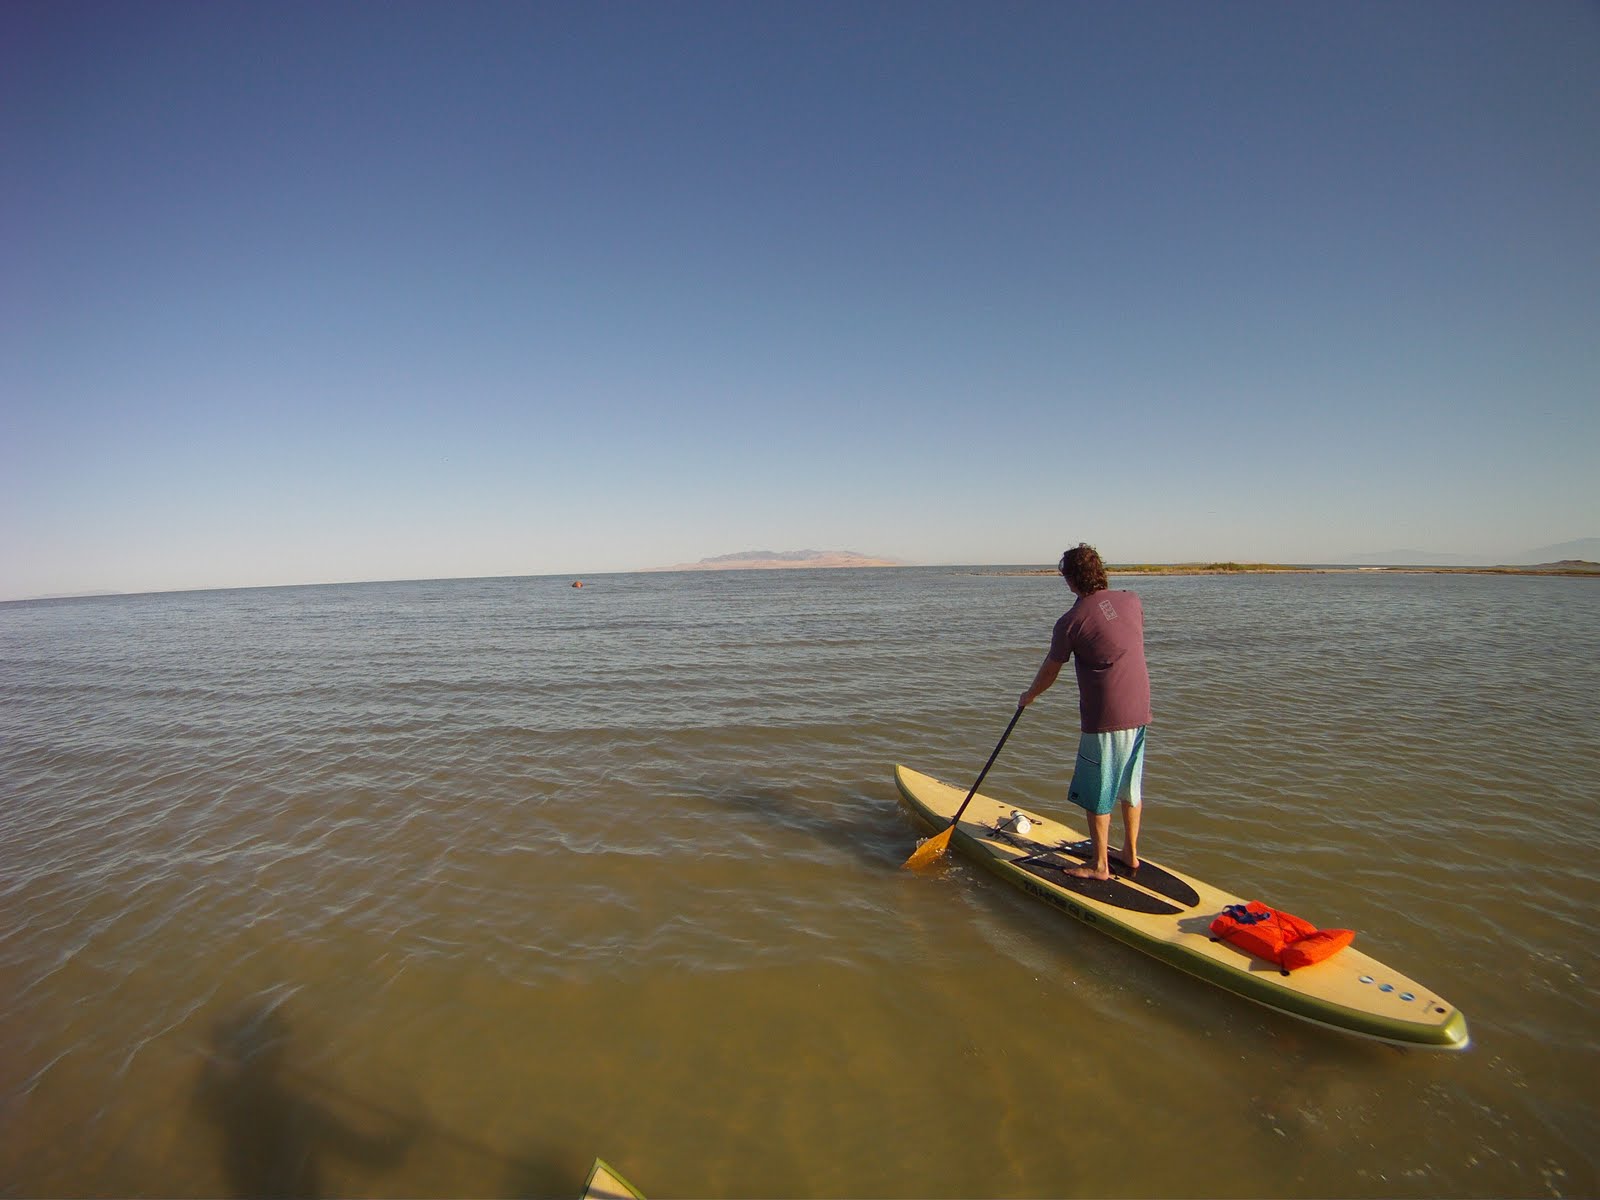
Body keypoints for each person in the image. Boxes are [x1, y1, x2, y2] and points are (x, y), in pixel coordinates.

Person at [1018, 543, 1152, 881]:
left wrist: (1029, 695)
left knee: (1098, 791)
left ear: (1071, 581)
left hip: (1105, 717)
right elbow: (1112, 626)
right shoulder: (1132, 601)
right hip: (1140, 709)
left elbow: (1051, 669)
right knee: (1129, 786)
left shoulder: (1070, 621)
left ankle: (1099, 866)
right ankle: (1130, 854)